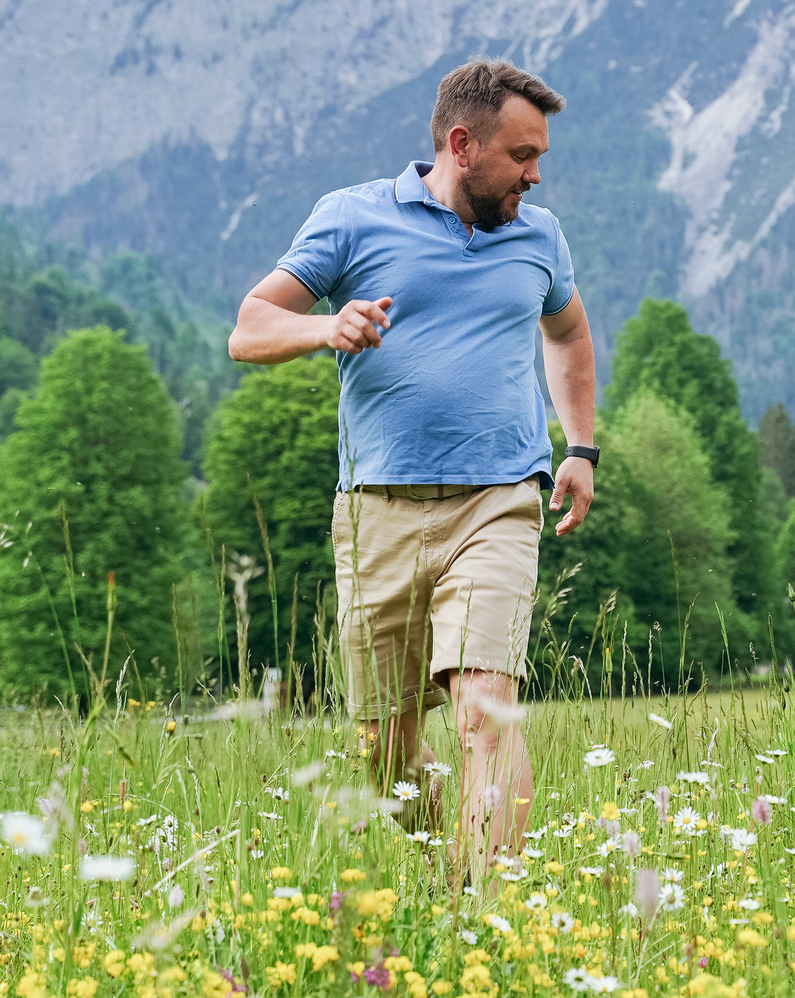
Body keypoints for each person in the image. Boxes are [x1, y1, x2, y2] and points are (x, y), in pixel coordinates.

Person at [228, 58, 598, 882]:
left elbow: (567, 334)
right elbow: (249, 328)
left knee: (484, 714)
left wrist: (579, 445)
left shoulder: (540, 237)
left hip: (498, 502)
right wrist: (325, 331)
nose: (535, 175)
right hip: (376, 513)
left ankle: (486, 915)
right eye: (521, 155)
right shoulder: (352, 218)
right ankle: (447, 869)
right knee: (383, 751)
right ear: (461, 144)